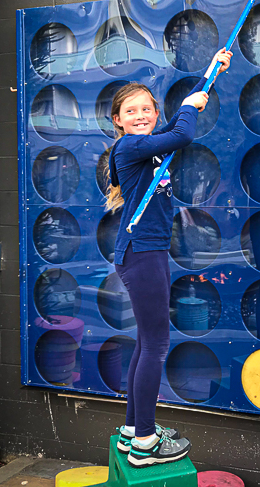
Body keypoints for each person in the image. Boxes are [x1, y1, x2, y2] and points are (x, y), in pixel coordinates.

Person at [104, 47, 232, 467]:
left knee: (146, 343)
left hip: (147, 252)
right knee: (157, 345)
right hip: (141, 254)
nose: (141, 114)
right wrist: (188, 106)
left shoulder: (150, 146)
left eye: (147, 108)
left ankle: (130, 431)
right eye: (131, 109)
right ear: (118, 120)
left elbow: (178, 128)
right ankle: (144, 444)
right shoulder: (127, 148)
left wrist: (211, 71)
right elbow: (184, 133)